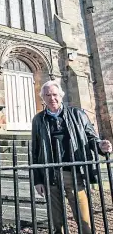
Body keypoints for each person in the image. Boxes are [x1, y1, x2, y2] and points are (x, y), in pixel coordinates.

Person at [32, 80, 112, 234]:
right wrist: (38, 180)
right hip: (50, 175)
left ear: (61, 95)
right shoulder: (38, 119)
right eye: (47, 95)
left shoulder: (78, 114)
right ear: (43, 98)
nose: (52, 98)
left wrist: (101, 146)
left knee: (84, 221)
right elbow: (35, 151)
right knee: (57, 223)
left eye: (54, 94)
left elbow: (91, 139)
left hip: (74, 174)